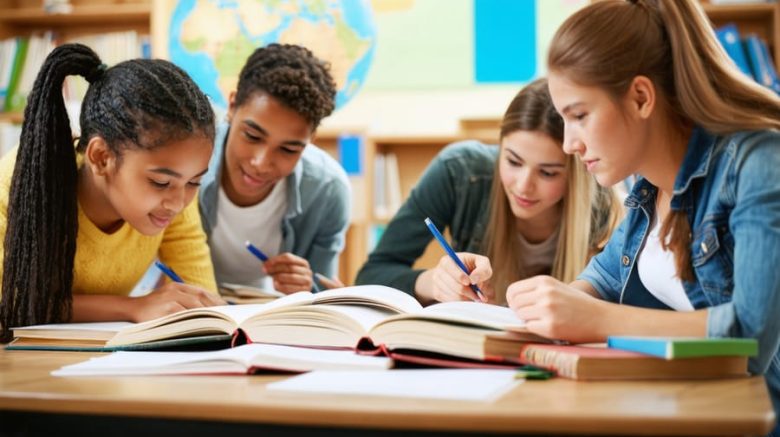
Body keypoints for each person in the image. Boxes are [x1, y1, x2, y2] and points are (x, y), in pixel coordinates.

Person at [504, 1, 780, 433]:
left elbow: (751, 338)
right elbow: (605, 279)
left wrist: (594, 319)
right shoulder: (645, 186)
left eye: (579, 116)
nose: (569, 143)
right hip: (689, 410)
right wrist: (544, 310)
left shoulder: (759, 162)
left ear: (640, 97)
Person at [0, 43, 225, 341]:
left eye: (195, 181)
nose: (178, 202)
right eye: (160, 182)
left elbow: (201, 293)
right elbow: (9, 301)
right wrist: (130, 307)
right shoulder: (26, 182)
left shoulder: (173, 195)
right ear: (101, 157)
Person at [355, 78, 621, 305]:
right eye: (513, 161)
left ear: (577, 172)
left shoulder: (600, 199)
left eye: (548, 172)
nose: (523, 185)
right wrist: (434, 282)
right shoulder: (460, 171)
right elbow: (371, 275)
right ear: (500, 145)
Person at [199, 43, 350, 294]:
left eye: (288, 150)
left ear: (310, 139)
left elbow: (322, 295)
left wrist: (307, 287)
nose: (261, 163)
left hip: (261, 313)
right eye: (252, 136)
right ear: (233, 106)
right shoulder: (188, 156)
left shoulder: (328, 191)